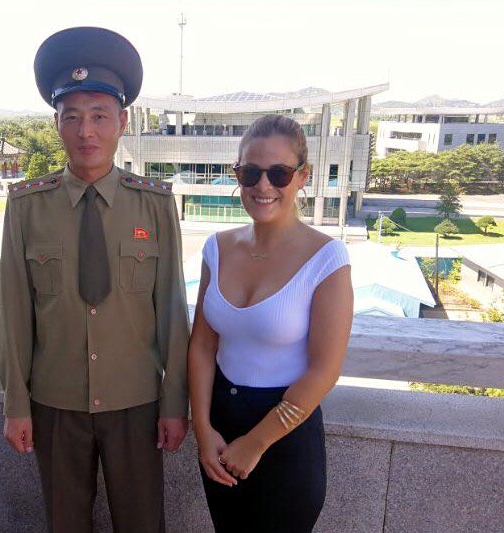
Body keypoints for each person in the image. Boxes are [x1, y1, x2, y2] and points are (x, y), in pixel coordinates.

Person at [0, 27, 190, 533]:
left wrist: (176, 405)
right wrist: (16, 406)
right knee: (64, 522)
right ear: (56, 125)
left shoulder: (154, 203)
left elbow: (173, 309)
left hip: (137, 403)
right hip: (54, 403)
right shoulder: (26, 207)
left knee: (142, 522)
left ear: (122, 122)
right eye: (73, 117)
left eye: (100, 116)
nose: (87, 131)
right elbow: (14, 313)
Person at [188, 114, 354, 532]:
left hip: (285, 432)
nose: (264, 186)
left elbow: (324, 370)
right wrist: (202, 427)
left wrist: (257, 442)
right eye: (251, 172)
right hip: (221, 428)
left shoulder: (327, 258)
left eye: (279, 173)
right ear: (237, 175)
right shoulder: (217, 248)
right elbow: (203, 347)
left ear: (303, 177)